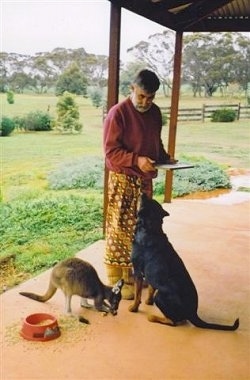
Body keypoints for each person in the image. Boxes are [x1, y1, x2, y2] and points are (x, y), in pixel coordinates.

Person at [103, 69, 175, 299]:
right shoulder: (118, 113)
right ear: (132, 89)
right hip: (123, 178)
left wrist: (163, 157)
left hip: (144, 181)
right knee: (120, 229)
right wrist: (136, 160)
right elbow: (111, 152)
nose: (146, 101)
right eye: (142, 95)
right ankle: (119, 281)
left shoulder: (154, 113)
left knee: (142, 228)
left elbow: (155, 139)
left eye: (151, 97)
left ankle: (137, 275)